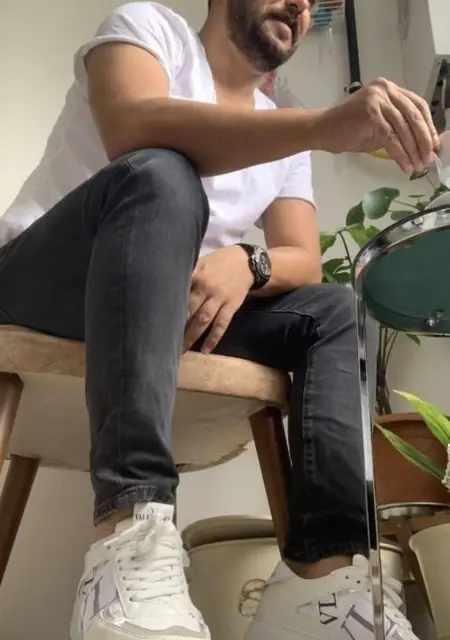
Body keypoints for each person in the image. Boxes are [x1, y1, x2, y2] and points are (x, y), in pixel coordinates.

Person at [0, 0, 437, 639]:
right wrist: (321, 125)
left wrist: (248, 262)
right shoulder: (151, 28)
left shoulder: (282, 121)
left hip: (165, 307)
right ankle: (129, 541)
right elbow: (132, 128)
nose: (300, 3)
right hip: (45, 284)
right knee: (160, 171)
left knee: (331, 310)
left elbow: (302, 256)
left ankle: (320, 588)